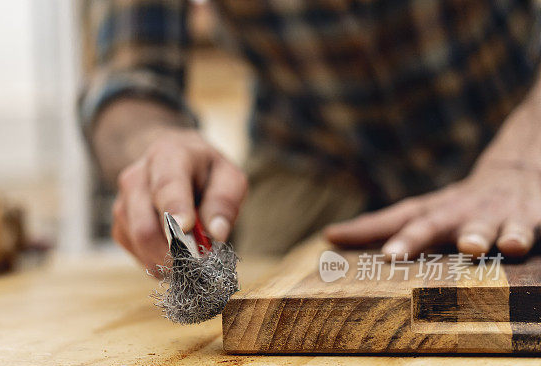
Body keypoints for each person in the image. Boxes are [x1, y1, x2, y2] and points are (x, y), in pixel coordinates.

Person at [79, 0, 541, 273]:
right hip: (312, 152)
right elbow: (130, 80)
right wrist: (155, 150)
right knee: (258, 301)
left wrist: (523, 161)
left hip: (513, 126)